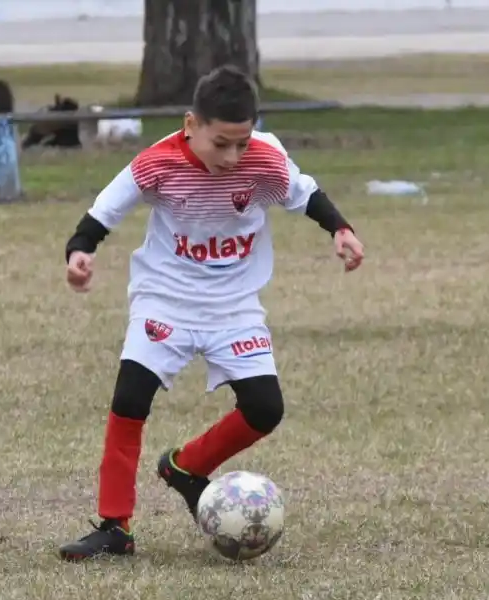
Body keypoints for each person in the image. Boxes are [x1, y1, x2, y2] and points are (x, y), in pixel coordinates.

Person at [58, 65, 365, 561]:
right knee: (130, 399)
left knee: (266, 409)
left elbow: (305, 194)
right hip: (166, 299)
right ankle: (115, 527)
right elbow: (105, 209)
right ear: (190, 125)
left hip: (234, 306)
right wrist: (80, 250)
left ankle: (184, 468)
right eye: (221, 143)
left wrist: (341, 230)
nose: (233, 156)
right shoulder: (157, 162)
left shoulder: (264, 159)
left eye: (242, 143)